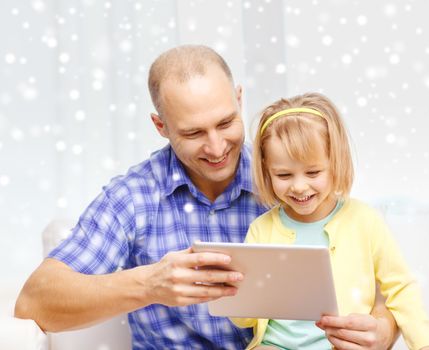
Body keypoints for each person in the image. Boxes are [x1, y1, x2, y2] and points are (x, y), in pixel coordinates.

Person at [15, 45, 398, 349]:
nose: (217, 147)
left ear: (239, 99)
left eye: (226, 123)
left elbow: (376, 279)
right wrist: (148, 285)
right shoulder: (132, 197)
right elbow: (34, 303)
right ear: (160, 126)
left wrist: (383, 329)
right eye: (194, 133)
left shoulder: (287, 179)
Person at [231, 92, 429, 350]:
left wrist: (425, 345)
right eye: (283, 174)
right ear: (266, 169)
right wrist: (237, 296)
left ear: (335, 161)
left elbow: (401, 287)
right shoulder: (261, 229)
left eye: (313, 172)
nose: (298, 186)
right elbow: (246, 319)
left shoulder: (365, 221)